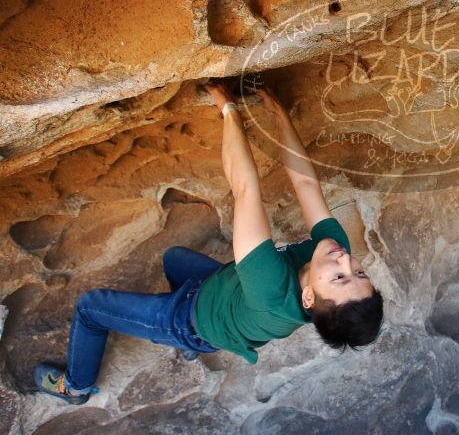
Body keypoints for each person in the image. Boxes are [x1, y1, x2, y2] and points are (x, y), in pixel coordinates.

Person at [33, 83, 384, 404]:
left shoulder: (270, 290)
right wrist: (280, 114)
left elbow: (245, 191)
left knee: (91, 307)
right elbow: (306, 184)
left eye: (339, 277)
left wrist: (229, 110)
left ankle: (76, 386)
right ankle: (186, 334)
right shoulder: (333, 251)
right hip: (218, 290)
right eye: (358, 272)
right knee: (174, 258)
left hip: (191, 320)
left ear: (308, 298)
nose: (345, 261)